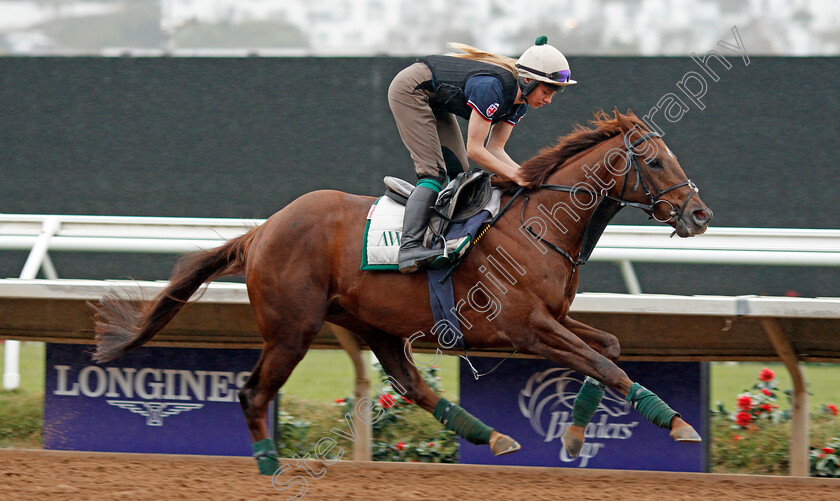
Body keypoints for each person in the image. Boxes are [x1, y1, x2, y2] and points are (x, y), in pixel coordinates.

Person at [388, 35, 576, 273]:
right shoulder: (492, 88)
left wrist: (525, 174)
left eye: (553, 93)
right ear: (528, 80)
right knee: (434, 173)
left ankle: (439, 237)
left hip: (435, 100)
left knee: (459, 173)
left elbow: (495, 149)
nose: (548, 100)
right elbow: (475, 149)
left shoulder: (520, 103)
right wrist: (517, 177)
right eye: (547, 91)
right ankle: (409, 247)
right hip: (411, 90)